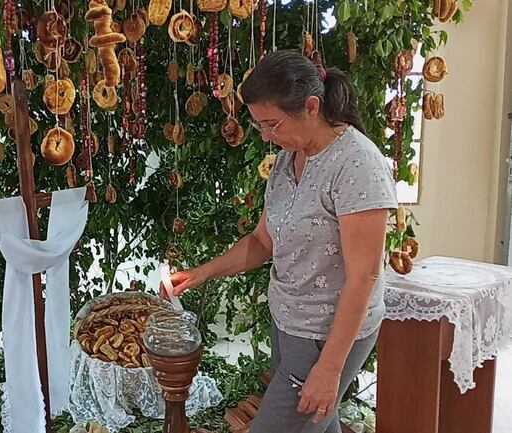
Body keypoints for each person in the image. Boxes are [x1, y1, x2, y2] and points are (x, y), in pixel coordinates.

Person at [160, 50, 398, 433]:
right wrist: (200, 273)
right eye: (260, 127)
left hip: (327, 332)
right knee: (317, 423)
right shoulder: (290, 157)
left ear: (311, 106)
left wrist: (331, 367)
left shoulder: (357, 164)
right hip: (288, 321)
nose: (268, 136)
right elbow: (261, 240)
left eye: (273, 124)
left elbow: (364, 275)